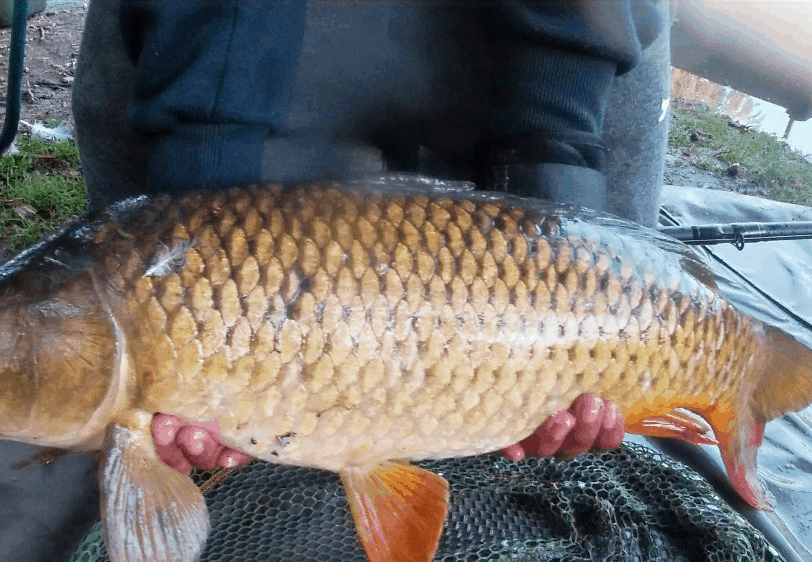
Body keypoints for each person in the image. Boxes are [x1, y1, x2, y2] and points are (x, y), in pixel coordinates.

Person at [71, 0, 672, 471]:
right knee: (150, 273)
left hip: (539, 59)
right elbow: (142, 218)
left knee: (619, 316)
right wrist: (201, 282)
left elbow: (609, 231)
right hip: (239, 52)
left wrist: (557, 207)